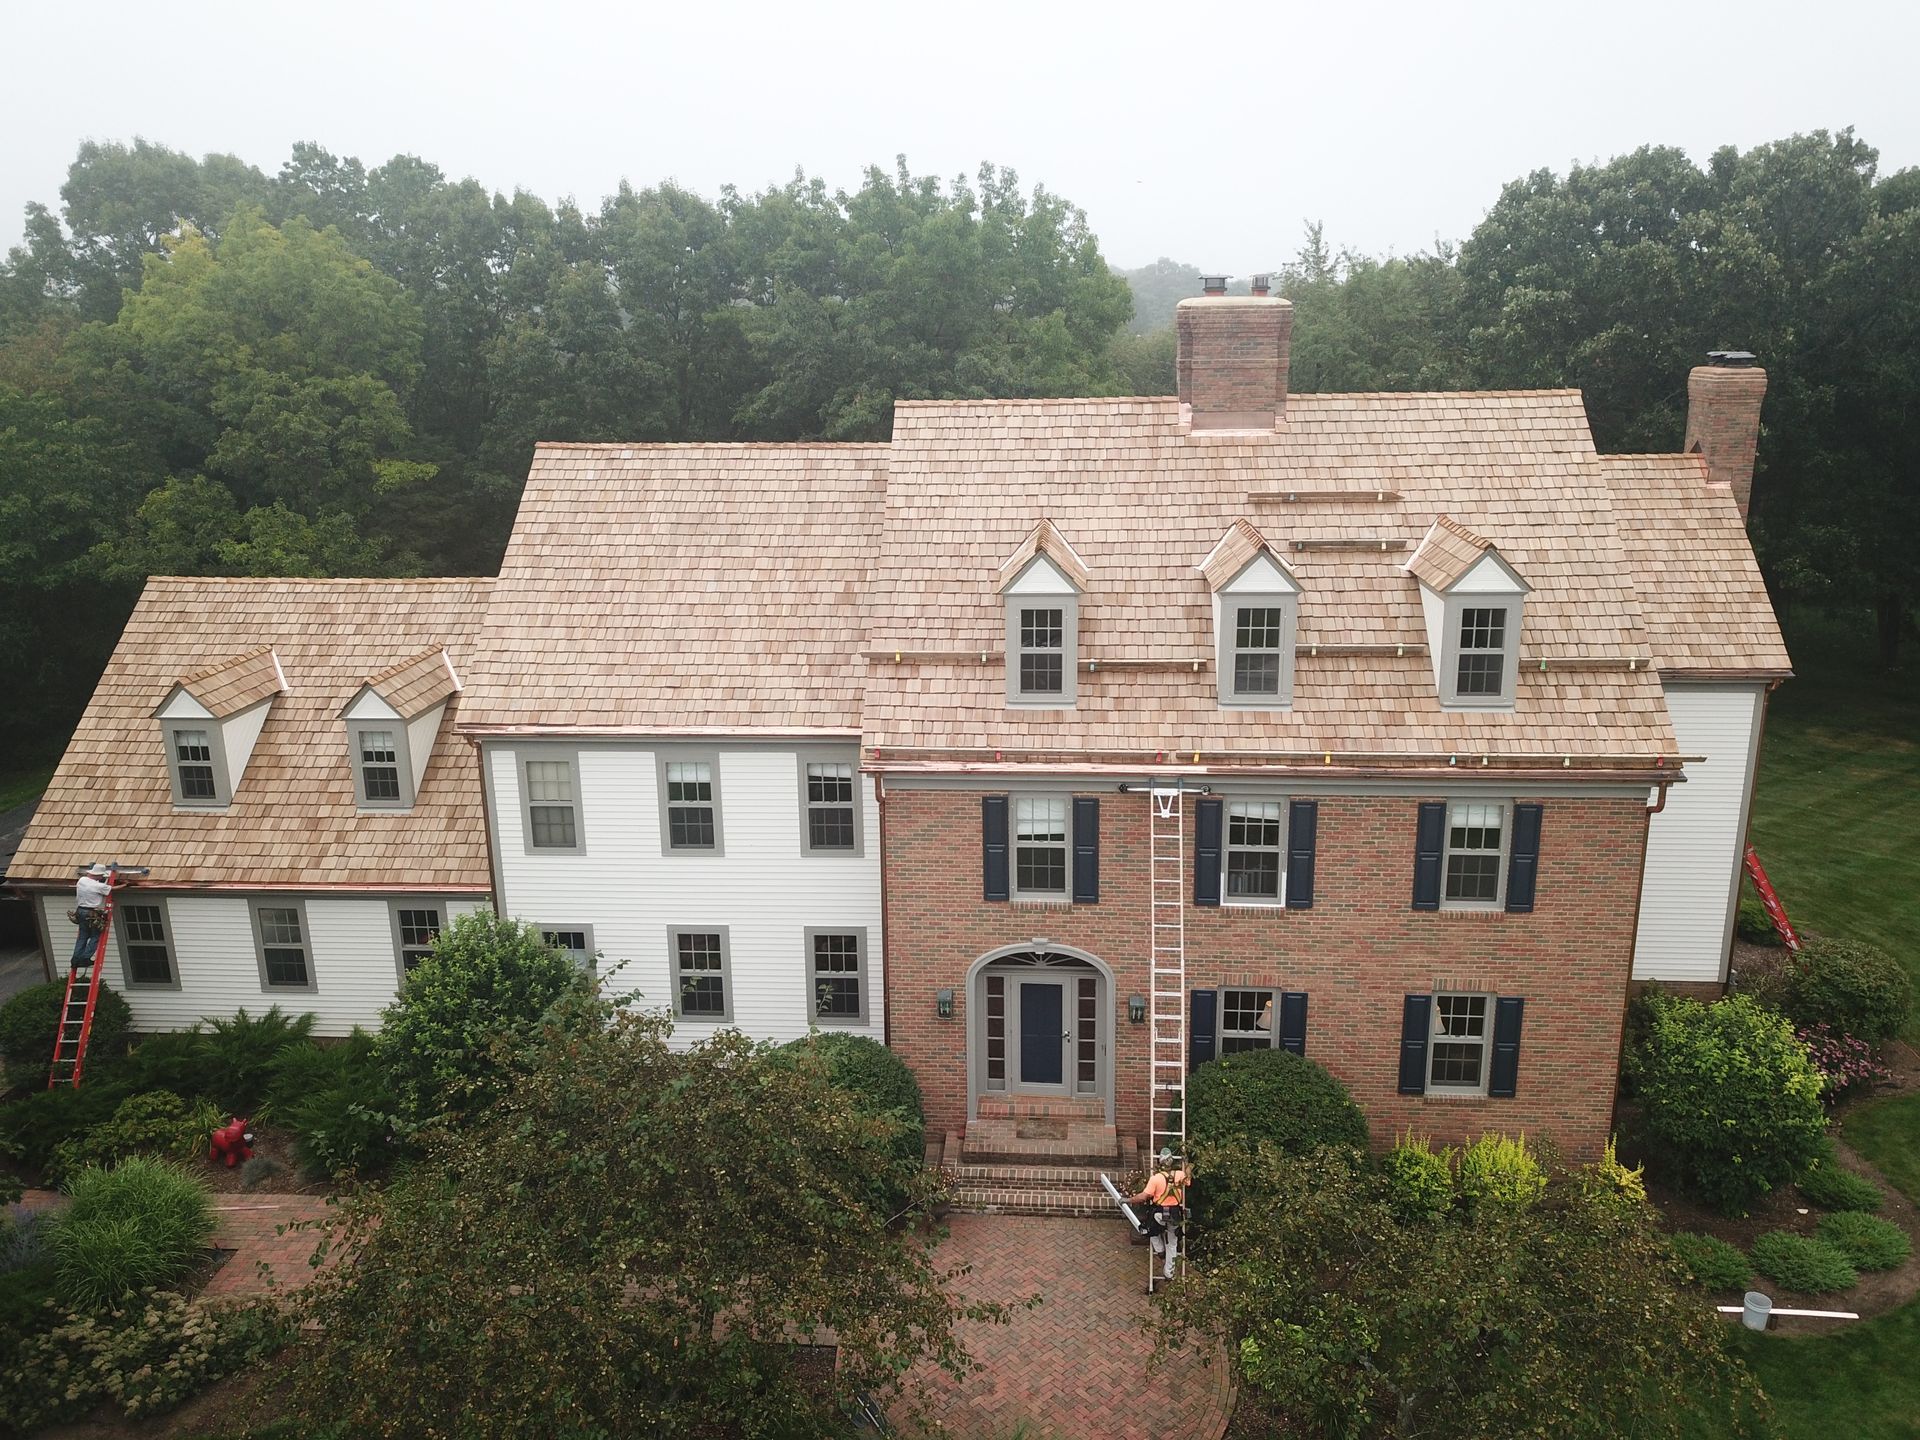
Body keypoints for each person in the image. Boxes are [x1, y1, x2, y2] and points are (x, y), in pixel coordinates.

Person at [1127, 1148, 1192, 1284]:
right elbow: (1188, 1179)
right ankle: (1169, 1273)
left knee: (1151, 1231)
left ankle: (1160, 1251)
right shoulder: (1179, 1175)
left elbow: (1144, 1196)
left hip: (1159, 1214)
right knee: (1173, 1242)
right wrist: (1186, 1163)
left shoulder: (1156, 1178)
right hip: (1175, 1214)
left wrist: (1128, 1200)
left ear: (1160, 1163)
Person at [69, 864, 127, 973]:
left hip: (80, 911)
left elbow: (94, 882)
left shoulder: (82, 880)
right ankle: (85, 958)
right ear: (98, 875)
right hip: (91, 913)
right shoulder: (99, 886)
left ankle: (75, 960)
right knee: (96, 936)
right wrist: (124, 885)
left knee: (83, 937)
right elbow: (112, 889)